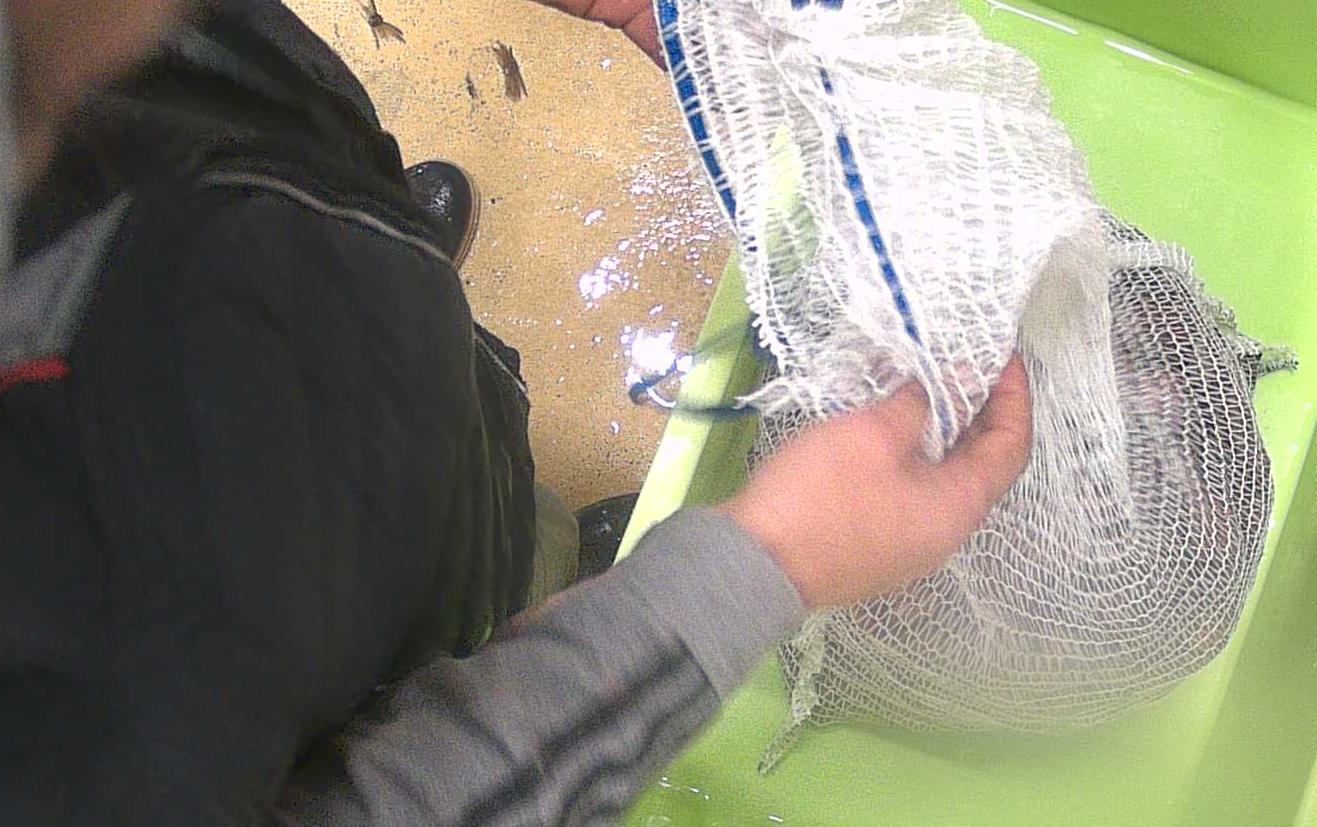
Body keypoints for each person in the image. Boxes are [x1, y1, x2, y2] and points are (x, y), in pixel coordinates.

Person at [0, 1, 1032, 825]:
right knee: (482, 580)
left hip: (297, 234)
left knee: (472, 429)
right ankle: (538, 581)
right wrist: (760, 564)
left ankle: (391, 265)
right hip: (320, 617)